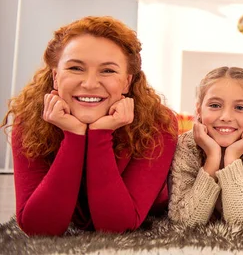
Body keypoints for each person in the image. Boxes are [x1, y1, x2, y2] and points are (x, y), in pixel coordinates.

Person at [1, 16, 178, 236]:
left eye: (108, 71)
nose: (90, 83)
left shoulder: (157, 123)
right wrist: (74, 136)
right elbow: (39, 227)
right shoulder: (30, 118)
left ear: (127, 82)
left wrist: (100, 134)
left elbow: (116, 226)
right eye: (76, 68)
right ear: (56, 77)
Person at [168, 67, 243, 227]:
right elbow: (184, 221)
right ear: (198, 109)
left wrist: (232, 158)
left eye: (240, 108)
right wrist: (212, 159)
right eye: (215, 105)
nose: (226, 117)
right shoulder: (185, 146)